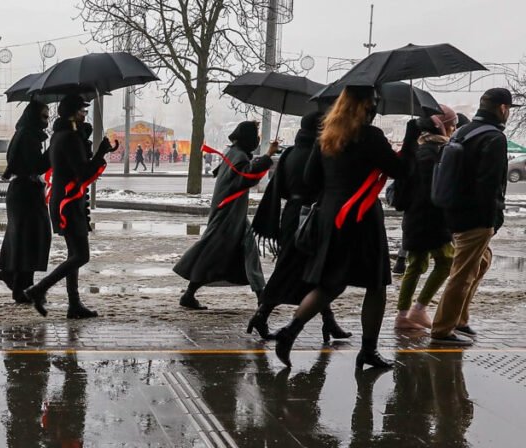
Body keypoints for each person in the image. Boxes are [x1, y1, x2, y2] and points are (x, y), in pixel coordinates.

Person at [273, 86, 418, 370]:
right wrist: (411, 141)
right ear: (364, 105)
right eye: (374, 102)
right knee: (375, 286)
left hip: (331, 215)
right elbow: (401, 172)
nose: (375, 106)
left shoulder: (326, 136)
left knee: (330, 283)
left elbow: (309, 179)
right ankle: (368, 351)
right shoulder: (371, 136)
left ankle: (290, 331)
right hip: (362, 216)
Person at [249, 112, 350, 343]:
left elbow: (281, 188)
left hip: (291, 215)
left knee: (309, 271)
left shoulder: (290, 153)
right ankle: (262, 315)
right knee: (303, 270)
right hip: (312, 217)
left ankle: (329, 322)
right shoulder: (321, 152)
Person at [430, 88, 515, 346]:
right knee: (463, 272)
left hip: (454, 211)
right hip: (476, 217)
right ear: (502, 108)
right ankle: (443, 329)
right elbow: (489, 184)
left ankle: (460, 318)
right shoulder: (494, 138)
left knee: (482, 262)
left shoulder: (463, 132)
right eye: (509, 109)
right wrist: (492, 219)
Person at [23, 94, 116, 319]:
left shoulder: (60, 135)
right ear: (74, 114)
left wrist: (93, 148)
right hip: (69, 203)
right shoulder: (70, 138)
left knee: (74, 253)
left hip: (64, 200)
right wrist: (101, 153)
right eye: (82, 111)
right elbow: (83, 172)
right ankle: (39, 289)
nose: (85, 114)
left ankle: (74, 304)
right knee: (81, 255)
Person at [174, 121, 278, 310]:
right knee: (211, 252)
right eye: (255, 137)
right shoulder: (238, 156)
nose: (257, 141)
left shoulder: (235, 153)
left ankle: (262, 296)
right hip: (228, 215)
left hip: (233, 213)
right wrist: (269, 155)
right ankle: (190, 293)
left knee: (247, 250)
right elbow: (247, 176)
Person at [395, 105, 457, 331]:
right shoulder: (437, 152)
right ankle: (418, 309)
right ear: (444, 126)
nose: (454, 128)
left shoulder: (417, 151)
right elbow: (439, 189)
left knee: (416, 264)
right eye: (453, 124)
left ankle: (403, 315)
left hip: (414, 219)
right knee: (446, 261)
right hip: (432, 219)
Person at [0, 100, 52, 303]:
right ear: (33, 116)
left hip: (23, 192)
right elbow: (35, 166)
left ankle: (13, 275)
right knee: (29, 239)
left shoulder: (26, 134)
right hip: (26, 193)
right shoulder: (28, 136)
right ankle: (21, 286)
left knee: (26, 238)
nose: (46, 120)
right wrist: (51, 152)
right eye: (44, 116)